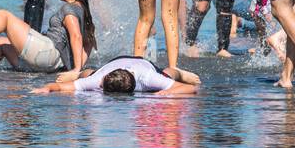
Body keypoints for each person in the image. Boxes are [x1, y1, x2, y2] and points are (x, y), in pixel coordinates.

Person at [32, 55, 199, 96]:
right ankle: (77, 73)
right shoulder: (100, 78)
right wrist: (46, 88)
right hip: (114, 63)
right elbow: (60, 87)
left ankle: (179, 71)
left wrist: (167, 91)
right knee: (88, 73)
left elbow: (190, 89)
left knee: (169, 73)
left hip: (141, 63)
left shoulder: (147, 77)